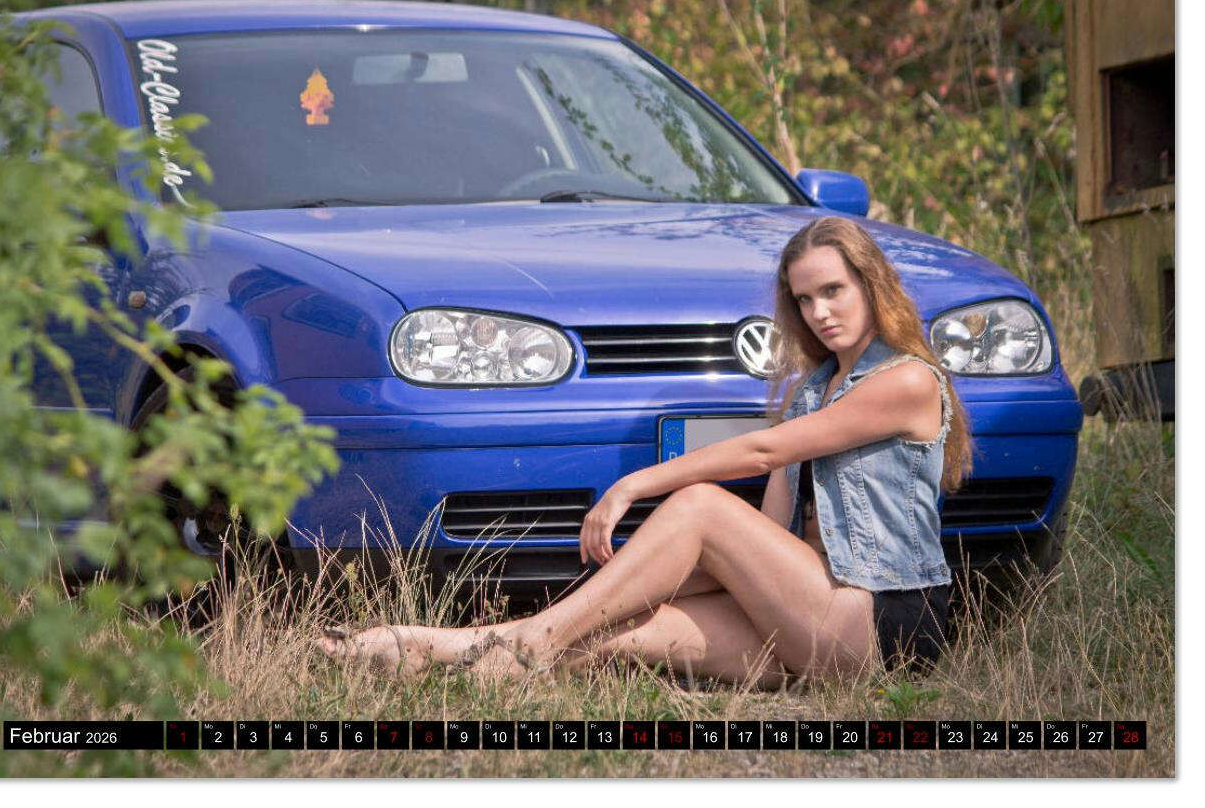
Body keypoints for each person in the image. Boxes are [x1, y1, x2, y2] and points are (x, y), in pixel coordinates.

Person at [319, 216, 972, 686]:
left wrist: (635, 485)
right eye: (805, 299)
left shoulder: (907, 381)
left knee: (701, 506)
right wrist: (649, 581)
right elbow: (770, 535)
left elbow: (762, 450)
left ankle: (528, 639)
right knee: (615, 633)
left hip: (881, 623)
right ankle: (424, 650)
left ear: (871, 284)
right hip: (805, 611)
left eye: (834, 290)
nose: (819, 311)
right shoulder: (811, 392)